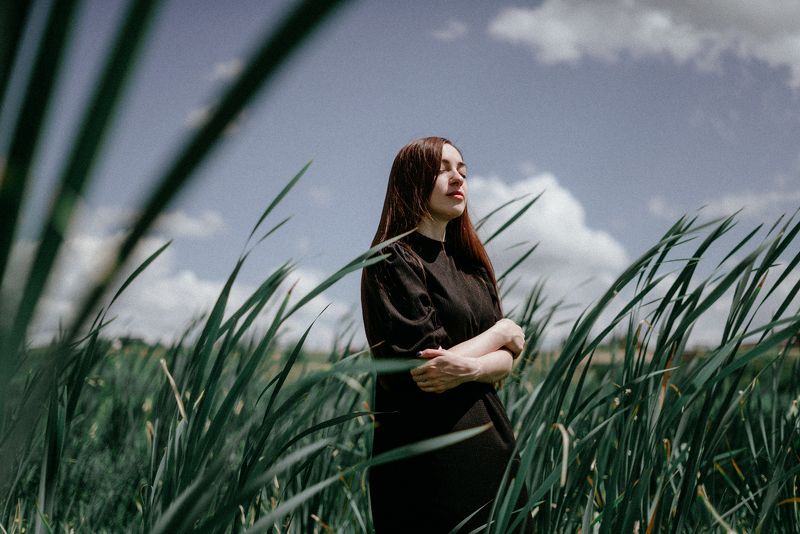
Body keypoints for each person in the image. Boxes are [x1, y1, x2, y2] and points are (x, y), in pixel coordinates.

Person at [361, 137, 532, 533]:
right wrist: (502, 331)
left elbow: (505, 364)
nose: (457, 178)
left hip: (495, 458)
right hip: (427, 470)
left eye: (463, 171)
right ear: (411, 179)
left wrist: (471, 368)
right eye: (443, 169)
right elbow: (429, 369)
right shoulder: (392, 258)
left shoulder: (471, 266)